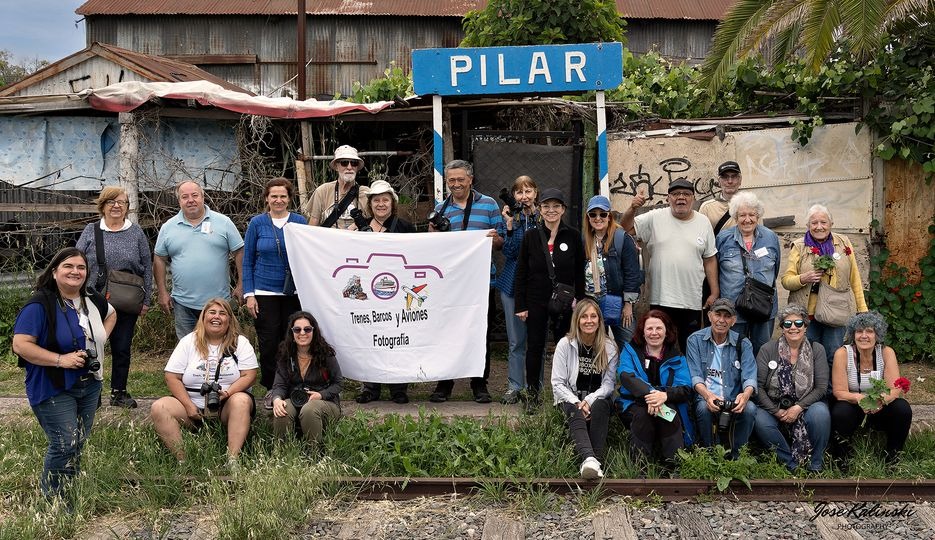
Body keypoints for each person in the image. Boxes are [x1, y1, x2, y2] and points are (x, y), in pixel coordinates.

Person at [12, 247, 116, 499]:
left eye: (81, 267)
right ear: (55, 271)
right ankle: (53, 500)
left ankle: (69, 490)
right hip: (53, 384)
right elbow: (20, 345)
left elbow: (112, 314)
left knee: (78, 442)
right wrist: (60, 359)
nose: (75, 272)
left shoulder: (91, 298)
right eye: (68, 266)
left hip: (89, 383)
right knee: (64, 443)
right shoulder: (40, 303)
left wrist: (97, 341)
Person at [427, 159, 504, 404]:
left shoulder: (489, 204)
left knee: (480, 334)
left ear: (471, 179)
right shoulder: (440, 209)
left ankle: (479, 384)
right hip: (450, 284)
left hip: (483, 282)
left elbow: (501, 242)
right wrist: (433, 235)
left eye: (461, 179)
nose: (456, 184)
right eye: (452, 180)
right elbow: (433, 248)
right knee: (445, 332)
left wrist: (492, 240)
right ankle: (444, 384)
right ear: (446, 181)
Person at [150, 298, 258, 464]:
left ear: (229, 319)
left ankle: (233, 460)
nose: (217, 317)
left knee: (242, 400)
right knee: (160, 407)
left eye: (222, 313)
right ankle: (182, 460)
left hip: (226, 404)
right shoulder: (188, 341)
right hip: (192, 406)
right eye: (212, 312)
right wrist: (188, 405)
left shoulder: (240, 342)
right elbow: (172, 376)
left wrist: (227, 393)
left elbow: (249, 375)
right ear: (203, 317)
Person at [621, 178, 719, 353]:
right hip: (661, 298)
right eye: (675, 194)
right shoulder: (655, 217)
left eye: (686, 194)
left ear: (693, 198)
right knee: (659, 347)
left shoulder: (703, 222)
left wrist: (714, 291)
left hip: (691, 300)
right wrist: (632, 208)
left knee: (691, 348)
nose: (681, 198)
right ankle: (660, 380)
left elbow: (710, 259)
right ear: (668, 198)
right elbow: (625, 229)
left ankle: (690, 381)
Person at [76, 186, 152, 408]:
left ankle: (119, 393)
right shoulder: (91, 231)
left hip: (127, 300)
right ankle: (92, 393)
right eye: (111, 202)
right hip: (93, 299)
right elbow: (76, 262)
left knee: (121, 347)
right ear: (103, 205)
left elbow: (147, 266)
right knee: (91, 345)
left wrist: (146, 300)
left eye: (122, 202)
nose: (117, 206)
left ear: (128, 207)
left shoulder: (136, 232)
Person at [515, 187, 585, 408]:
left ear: (563, 209)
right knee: (534, 347)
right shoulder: (531, 236)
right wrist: (521, 305)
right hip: (536, 299)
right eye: (546, 206)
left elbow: (579, 272)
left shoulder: (573, 235)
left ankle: (566, 394)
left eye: (556, 206)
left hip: (564, 302)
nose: (551, 211)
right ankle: (533, 396)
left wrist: (581, 302)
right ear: (540, 209)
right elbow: (522, 272)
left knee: (565, 346)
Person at [242, 177, 307, 409]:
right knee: (268, 343)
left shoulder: (300, 221)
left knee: (293, 341)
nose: (278, 200)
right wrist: (249, 294)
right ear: (267, 199)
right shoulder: (257, 224)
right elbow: (247, 261)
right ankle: (271, 388)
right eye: (274, 196)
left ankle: (294, 386)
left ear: (289, 199)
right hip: (264, 293)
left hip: (294, 292)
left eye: (283, 196)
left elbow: (309, 256)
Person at [154, 181, 245, 340]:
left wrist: (242, 284)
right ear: (179, 201)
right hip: (183, 304)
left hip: (218, 303)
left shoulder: (223, 222)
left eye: (195, 195)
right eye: (185, 197)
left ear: (203, 197)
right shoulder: (168, 227)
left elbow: (239, 252)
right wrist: (162, 291)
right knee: (188, 351)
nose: (190, 200)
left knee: (221, 347)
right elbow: (159, 258)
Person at [781, 203, 867, 360]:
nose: (819, 227)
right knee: (806, 356)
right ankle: (808, 385)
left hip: (836, 310)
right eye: (814, 223)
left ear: (831, 224)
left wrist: (862, 308)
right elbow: (786, 281)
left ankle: (832, 386)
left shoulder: (843, 242)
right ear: (808, 225)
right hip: (807, 313)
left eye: (823, 222)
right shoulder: (799, 246)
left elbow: (854, 277)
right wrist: (803, 278)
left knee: (834, 355)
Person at [752, 305, 830, 472]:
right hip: (774, 405)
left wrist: (798, 407)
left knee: (821, 413)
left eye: (798, 323)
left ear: (806, 327)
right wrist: (775, 410)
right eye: (787, 324)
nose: (793, 327)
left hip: (805, 404)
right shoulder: (768, 349)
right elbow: (758, 386)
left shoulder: (817, 349)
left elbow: (822, 387)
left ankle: (816, 464)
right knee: (758, 418)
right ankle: (791, 464)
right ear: (782, 328)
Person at [355, 180, 413, 404]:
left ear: (392, 203)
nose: (381, 204)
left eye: (385, 200)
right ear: (370, 204)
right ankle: (371, 387)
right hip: (369, 293)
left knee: (396, 338)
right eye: (376, 200)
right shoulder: (358, 228)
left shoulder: (404, 226)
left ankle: (398, 388)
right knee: (371, 337)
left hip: (397, 292)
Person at [830, 311, 912, 464]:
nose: (864, 335)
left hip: (880, 407)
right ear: (853, 334)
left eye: (869, 331)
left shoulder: (886, 352)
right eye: (859, 331)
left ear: (877, 334)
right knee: (840, 411)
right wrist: (859, 398)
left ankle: (893, 457)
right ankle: (842, 459)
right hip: (854, 406)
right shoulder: (842, 353)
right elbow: (839, 392)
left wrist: (880, 401)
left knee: (902, 408)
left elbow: (894, 388)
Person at [550, 298, 618, 479]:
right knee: (574, 410)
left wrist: (589, 400)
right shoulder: (565, 344)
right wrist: (578, 402)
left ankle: (594, 463)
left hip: (596, 399)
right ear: (577, 320)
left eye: (593, 316)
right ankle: (590, 459)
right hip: (570, 398)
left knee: (602, 406)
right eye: (584, 316)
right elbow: (557, 382)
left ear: (599, 320)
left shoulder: (609, 346)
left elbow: (609, 384)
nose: (589, 320)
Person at [616, 310, 694, 468]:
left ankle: (674, 466)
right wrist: (652, 395)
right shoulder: (630, 351)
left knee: (668, 413)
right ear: (642, 332)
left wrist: (664, 396)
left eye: (658, 328)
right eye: (649, 329)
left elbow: (685, 387)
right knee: (643, 414)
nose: (654, 333)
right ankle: (639, 467)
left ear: (666, 331)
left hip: (668, 403)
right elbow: (625, 376)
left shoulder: (677, 356)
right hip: (634, 403)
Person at [686, 298, 756, 458]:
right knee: (703, 408)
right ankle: (708, 453)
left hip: (733, 397)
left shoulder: (743, 343)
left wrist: (745, 395)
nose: (721, 320)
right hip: (705, 396)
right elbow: (695, 376)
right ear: (710, 316)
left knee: (750, 408)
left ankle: (737, 455)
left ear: (733, 321)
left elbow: (749, 376)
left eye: (727, 316)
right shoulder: (694, 340)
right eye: (718, 314)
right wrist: (708, 396)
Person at [715, 192, 780, 355]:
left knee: (762, 351)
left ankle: (758, 381)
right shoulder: (723, 238)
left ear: (758, 215)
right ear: (735, 216)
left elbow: (775, 270)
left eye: (752, 214)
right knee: (734, 351)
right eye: (742, 215)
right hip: (733, 308)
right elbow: (715, 271)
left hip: (764, 307)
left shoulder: (770, 237)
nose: (747, 219)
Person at [270, 311, 343, 451]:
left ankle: (315, 455)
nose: (302, 333)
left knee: (310, 409)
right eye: (297, 329)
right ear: (291, 333)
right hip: (296, 399)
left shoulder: (325, 354)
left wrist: (320, 395)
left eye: (307, 329)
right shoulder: (286, 354)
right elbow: (279, 384)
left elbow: (338, 383)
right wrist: (277, 399)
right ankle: (281, 457)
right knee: (281, 409)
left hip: (326, 402)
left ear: (314, 331)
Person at [496, 175, 540, 404]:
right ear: (514, 196)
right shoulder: (508, 219)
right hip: (512, 284)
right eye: (520, 193)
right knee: (516, 341)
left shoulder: (544, 216)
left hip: (537, 285)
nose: (524, 197)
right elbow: (510, 252)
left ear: (535, 193)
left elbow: (544, 243)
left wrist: (533, 216)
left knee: (536, 340)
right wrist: (511, 226)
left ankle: (535, 387)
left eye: (528, 191)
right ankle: (515, 386)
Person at [582, 194, 641, 350]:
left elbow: (632, 273)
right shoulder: (584, 241)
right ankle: (600, 375)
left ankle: (627, 375)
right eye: (593, 214)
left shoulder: (622, 238)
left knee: (629, 347)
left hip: (618, 302)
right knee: (593, 347)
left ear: (609, 216)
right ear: (588, 217)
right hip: (591, 303)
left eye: (603, 214)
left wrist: (628, 304)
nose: (598, 218)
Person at [305, 145, 371, 230]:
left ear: (357, 167)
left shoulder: (367, 193)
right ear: (336, 166)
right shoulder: (323, 191)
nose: (349, 167)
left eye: (354, 163)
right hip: (328, 241)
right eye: (344, 163)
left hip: (356, 241)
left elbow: (376, 222)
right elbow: (313, 224)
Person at [699, 161, 743, 234]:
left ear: (740, 180)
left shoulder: (750, 205)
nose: (730, 181)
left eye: (734, 177)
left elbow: (760, 236)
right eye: (725, 177)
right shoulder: (707, 208)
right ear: (719, 181)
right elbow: (702, 236)